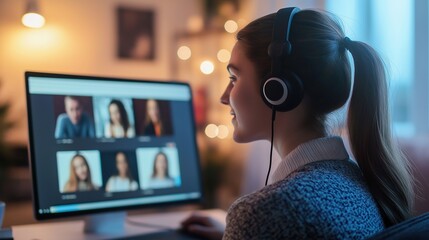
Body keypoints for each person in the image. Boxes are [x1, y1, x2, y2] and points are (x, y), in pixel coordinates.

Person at [181, 7, 413, 239]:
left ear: (276, 89)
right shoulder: (353, 178)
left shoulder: (267, 211)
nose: (224, 96)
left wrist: (247, 228)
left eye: (234, 78)